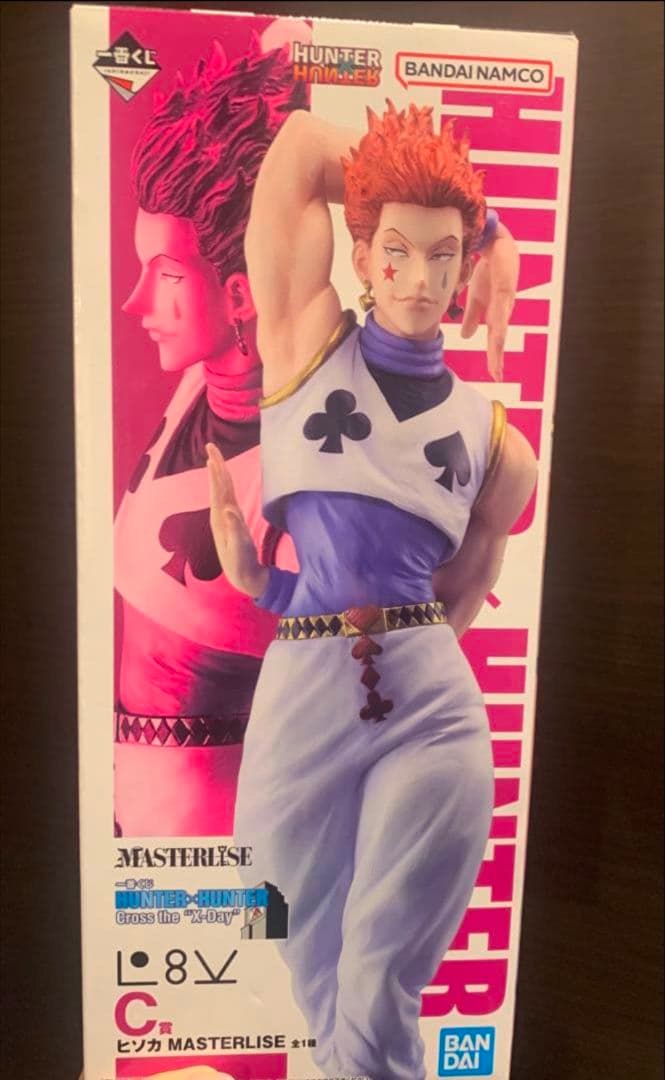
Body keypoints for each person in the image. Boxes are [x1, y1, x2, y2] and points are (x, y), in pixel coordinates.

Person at [207, 100, 534, 1080]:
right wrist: (489, 220)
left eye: (446, 256)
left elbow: (456, 601)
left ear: (462, 271)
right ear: (361, 254)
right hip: (304, 694)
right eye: (396, 250)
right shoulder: (303, 341)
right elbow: (301, 146)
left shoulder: (500, 449)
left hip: (431, 712)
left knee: (380, 971)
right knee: (275, 907)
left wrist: (380, 648)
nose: (420, 279)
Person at [113, 35, 307, 837]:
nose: (135, 303)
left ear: (239, 295)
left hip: (226, 832)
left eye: (164, 275)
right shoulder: (197, 387)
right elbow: (288, 53)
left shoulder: (309, 469)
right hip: (128, 810)